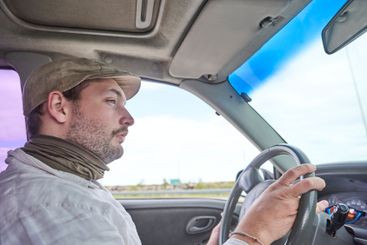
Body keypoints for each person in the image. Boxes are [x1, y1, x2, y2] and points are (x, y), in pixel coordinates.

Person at [0, 58, 327, 245]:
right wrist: (252, 234)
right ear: (60, 106)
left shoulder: (66, 185)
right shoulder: (52, 204)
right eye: (112, 101)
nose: (128, 118)